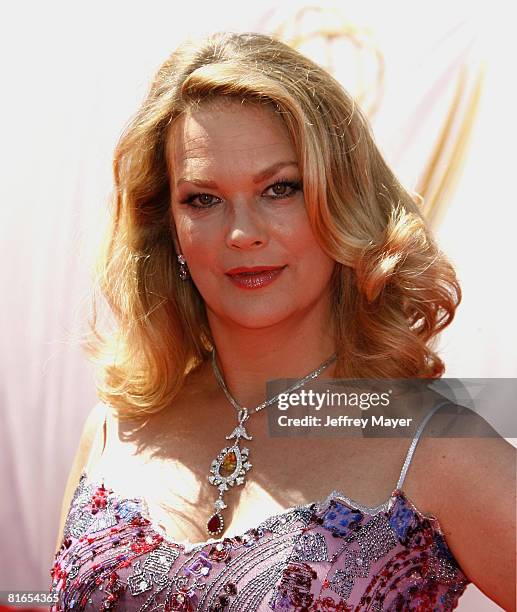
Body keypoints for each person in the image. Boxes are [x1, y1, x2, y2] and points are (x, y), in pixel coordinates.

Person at [49, 32, 515, 611]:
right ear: (166, 224)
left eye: (280, 189)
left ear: (343, 204)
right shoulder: (113, 431)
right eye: (203, 199)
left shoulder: (438, 450)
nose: (243, 231)